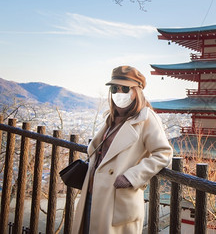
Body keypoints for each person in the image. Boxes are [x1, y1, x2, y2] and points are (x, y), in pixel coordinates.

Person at [72, 66, 173, 234]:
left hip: (116, 199)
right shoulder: (111, 119)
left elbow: (163, 154)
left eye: (125, 88)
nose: (119, 92)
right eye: (114, 88)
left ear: (137, 91)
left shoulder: (146, 119)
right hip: (92, 194)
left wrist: (132, 176)